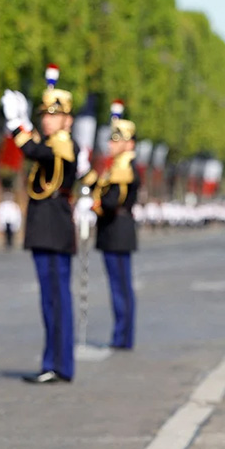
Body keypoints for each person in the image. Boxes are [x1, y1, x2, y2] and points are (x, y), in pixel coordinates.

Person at [2, 65, 89, 384]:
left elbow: (33, 150)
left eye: (53, 115)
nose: (47, 119)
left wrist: (16, 125)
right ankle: (56, 362)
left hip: (53, 227)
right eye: (44, 114)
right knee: (51, 298)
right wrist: (25, 124)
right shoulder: (56, 142)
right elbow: (39, 150)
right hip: (48, 226)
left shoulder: (63, 143)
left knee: (55, 298)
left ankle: (57, 364)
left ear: (67, 119)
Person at [89, 101, 139, 350]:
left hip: (117, 229)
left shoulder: (124, 167)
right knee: (119, 286)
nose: (111, 144)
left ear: (128, 143)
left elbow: (110, 200)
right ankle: (122, 335)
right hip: (116, 230)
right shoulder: (119, 167)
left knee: (120, 288)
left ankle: (122, 336)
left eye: (116, 140)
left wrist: (94, 204)